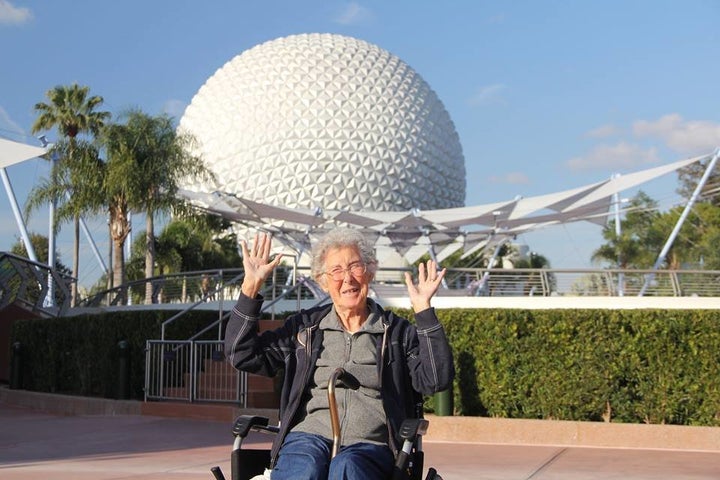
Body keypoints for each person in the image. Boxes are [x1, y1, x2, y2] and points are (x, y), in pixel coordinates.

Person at [224, 228, 455, 479]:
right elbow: (241, 353)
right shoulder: (305, 330)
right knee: (304, 468)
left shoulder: (397, 333)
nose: (347, 279)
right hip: (307, 438)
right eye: (336, 270)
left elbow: (435, 379)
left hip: (370, 445)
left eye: (355, 266)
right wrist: (250, 288)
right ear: (322, 280)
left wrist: (424, 312)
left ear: (369, 271)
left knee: (347, 467)